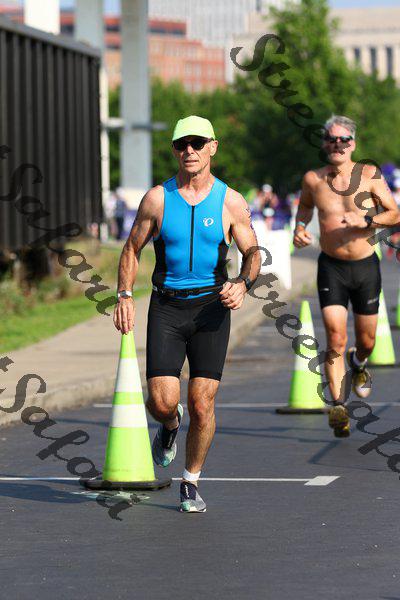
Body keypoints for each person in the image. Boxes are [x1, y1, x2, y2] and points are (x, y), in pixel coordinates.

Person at [113, 115, 260, 512]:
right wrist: (124, 294)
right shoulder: (157, 199)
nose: (190, 151)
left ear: (213, 146)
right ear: (175, 150)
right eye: (182, 144)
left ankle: (191, 481)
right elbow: (131, 248)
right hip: (167, 307)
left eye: (197, 143)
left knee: (202, 403)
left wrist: (243, 283)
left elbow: (252, 251)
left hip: (212, 308)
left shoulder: (230, 200)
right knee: (162, 402)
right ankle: (169, 425)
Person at [293, 115, 399, 437]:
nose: (337, 145)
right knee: (335, 337)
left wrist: (366, 221)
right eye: (331, 139)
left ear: (353, 143)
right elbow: (305, 207)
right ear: (324, 143)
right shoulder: (313, 179)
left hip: (365, 266)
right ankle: (338, 406)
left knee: (366, 341)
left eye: (343, 140)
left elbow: (394, 213)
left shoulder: (368, 175)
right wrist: (300, 228)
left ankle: (359, 362)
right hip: (332, 267)